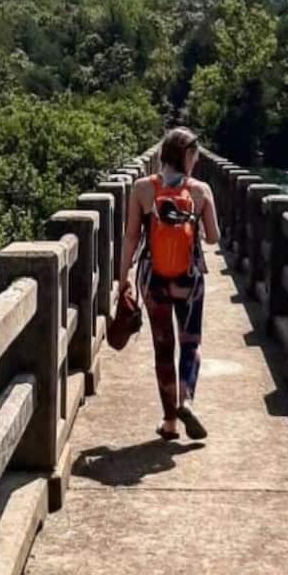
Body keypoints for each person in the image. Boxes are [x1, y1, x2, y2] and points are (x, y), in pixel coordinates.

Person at [117, 127, 221, 441]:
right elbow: (214, 238)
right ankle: (186, 399)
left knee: (163, 349)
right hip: (189, 279)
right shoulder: (201, 191)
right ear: (187, 155)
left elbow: (131, 238)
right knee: (191, 343)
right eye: (195, 155)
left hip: (153, 279)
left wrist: (122, 280)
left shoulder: (142, 189)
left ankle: (169, 422)